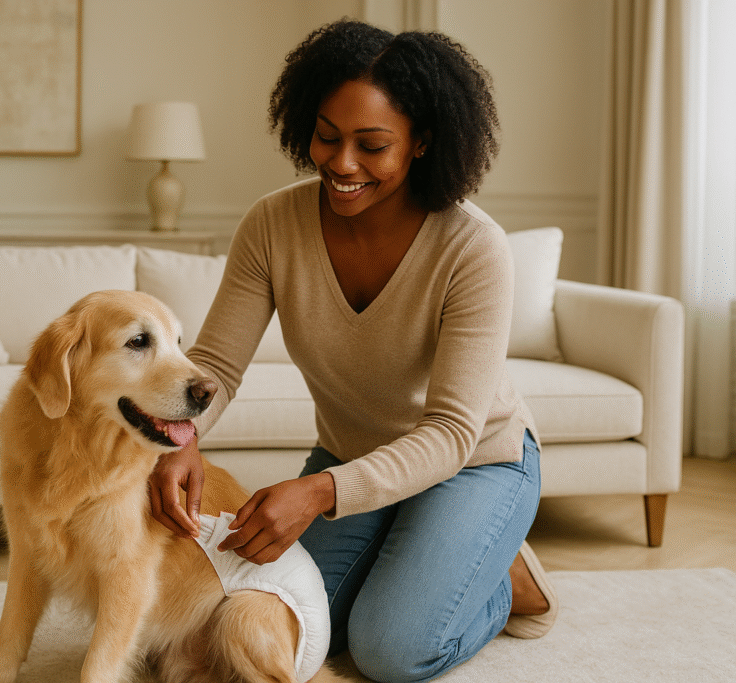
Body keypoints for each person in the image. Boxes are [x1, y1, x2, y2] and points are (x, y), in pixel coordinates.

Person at [148, 19, 558, 683]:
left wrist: (316, 492)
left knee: (388, 650)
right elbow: (216, 368)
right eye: (327, 136)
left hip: (476, 462)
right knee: (293, 623)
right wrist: (180, 438)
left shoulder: (473, 247)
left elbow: (453, 430)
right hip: (353, 456)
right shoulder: (271, 225)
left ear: (422, 142)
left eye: (372, 146)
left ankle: (504, 580)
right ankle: (423, 545)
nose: (341, 163)